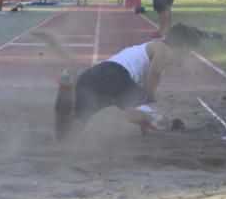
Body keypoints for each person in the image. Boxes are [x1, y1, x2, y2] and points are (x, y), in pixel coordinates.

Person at [52, 23, 201, 142]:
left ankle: (65, 90)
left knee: (66, 137)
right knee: (158, 117)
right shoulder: (163, 48)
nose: (189, 58)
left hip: (92, 76)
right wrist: (150, 104)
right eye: (190, 53)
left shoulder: (150, 49)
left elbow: (145, 83)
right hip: (114, 75)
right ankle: (142, 112)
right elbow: (153, 74)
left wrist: (146, 110)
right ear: (184, 47)